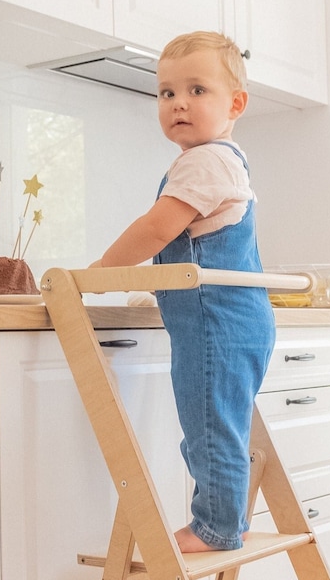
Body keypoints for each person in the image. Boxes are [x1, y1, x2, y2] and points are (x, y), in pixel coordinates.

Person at [93, 31, 275, 553]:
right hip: (232, 321)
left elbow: (157, 229)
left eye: (197, 90)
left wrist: (105, 270)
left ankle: (216, 527)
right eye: (167, 93)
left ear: (235, 103)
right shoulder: (223, 159)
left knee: (210, 427)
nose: (178, 104)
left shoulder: (204, 161)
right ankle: (221, 517)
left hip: (215, 324)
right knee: (214, 419)